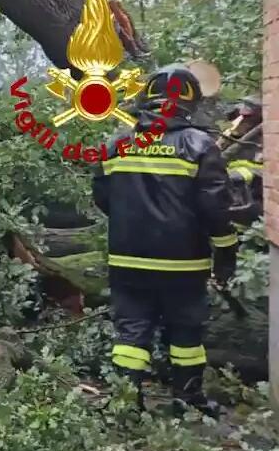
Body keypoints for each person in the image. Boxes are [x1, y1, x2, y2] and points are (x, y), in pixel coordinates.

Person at [92, 64, 238, 417]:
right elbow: (215, 209)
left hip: (127, 259)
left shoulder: (116, 144)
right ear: (190, 103)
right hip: (183, 263)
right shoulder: (200, 145)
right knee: (186, 330)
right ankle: (187, 400)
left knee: (131, 333)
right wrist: (226, 253)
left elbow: (102, 197)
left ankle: (126, 403)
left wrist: (132, 222)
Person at [221, 94, 264, 229]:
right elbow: (216, 152)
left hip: (258, 193)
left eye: (248, 117)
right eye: (242, 115)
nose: (244, 119)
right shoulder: (233, 131)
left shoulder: (268, 136)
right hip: (234, 192)